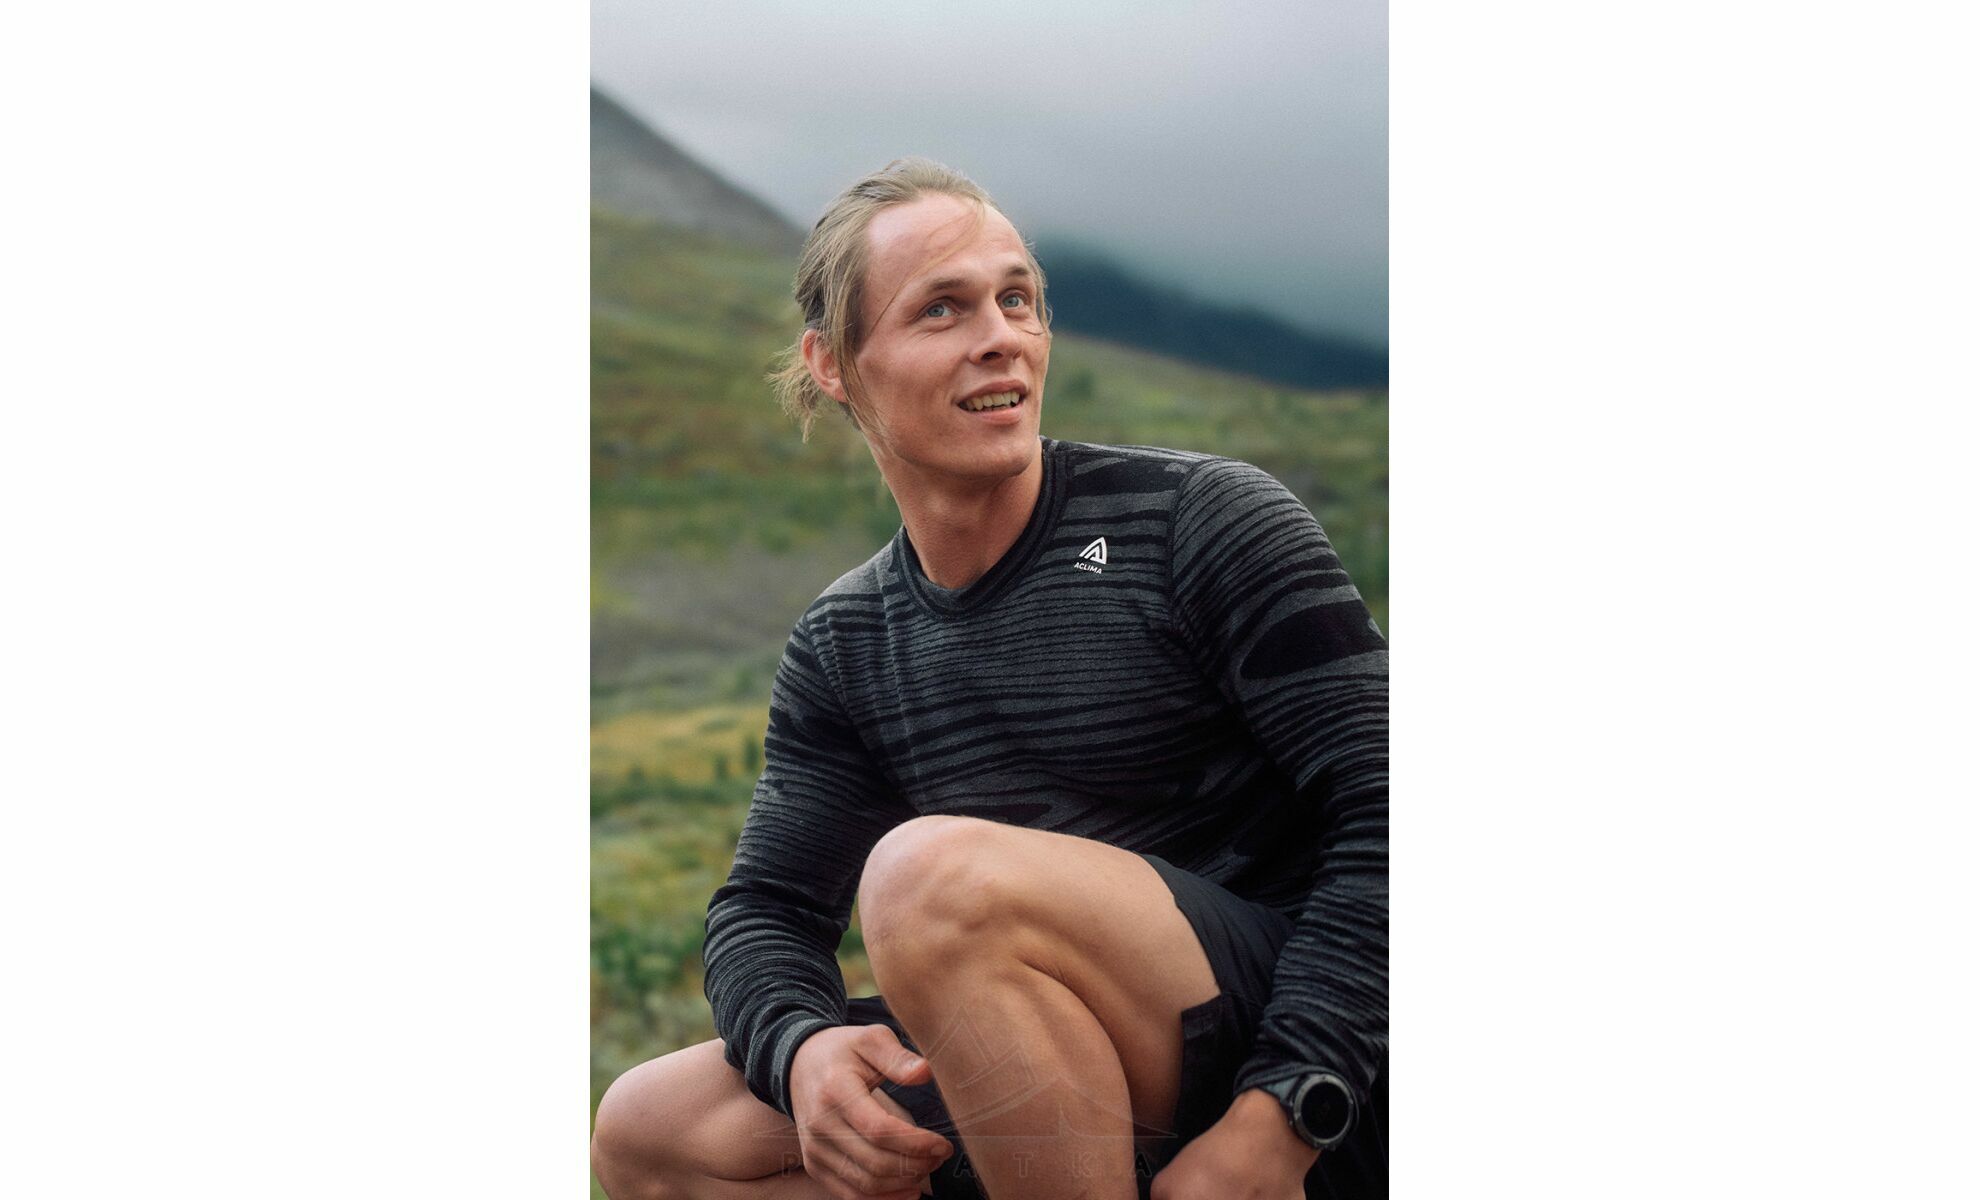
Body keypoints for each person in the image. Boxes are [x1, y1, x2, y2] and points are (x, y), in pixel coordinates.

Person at [591, 158, 1388, 1200]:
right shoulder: (847, 642)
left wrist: (1281, 1118)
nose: (1001, 335)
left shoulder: (1201, 521)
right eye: (942, 308)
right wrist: (802, 1051)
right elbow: (766, 910)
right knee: (650, 1129)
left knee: (927, 879)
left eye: (1018, 299)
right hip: (1069, 1093)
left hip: (1321, 1066)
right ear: (833, 364)